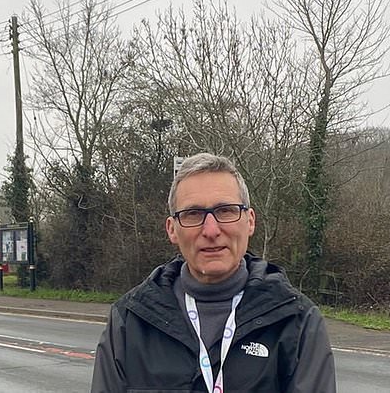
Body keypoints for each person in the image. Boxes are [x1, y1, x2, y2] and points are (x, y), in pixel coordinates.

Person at [91, 152, 336, 392]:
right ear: (172, 229)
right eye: (193, 214)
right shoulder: (130, 322)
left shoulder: (296, 322)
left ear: (250, 221)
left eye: (226, 211)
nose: (211, 230)